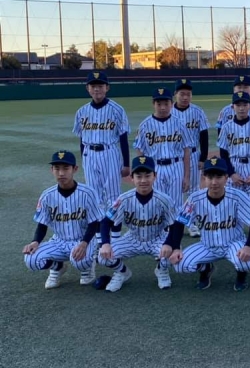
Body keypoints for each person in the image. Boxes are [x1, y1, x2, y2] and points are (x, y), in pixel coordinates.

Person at [170, 157, 250, 292]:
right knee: (180, 265)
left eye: (218, 177)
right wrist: (176, 248)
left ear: (226, 178)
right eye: (210, 177)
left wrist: (248, 246)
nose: (214, 182)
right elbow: (179, 223)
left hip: (234, 243)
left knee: (245, 262)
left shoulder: (237, 196)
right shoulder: (195, 198)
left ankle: (241, 277)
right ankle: (206, 268)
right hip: (207, 245)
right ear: (204, 177)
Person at [98, 156, 180, 292]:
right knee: (103, 257)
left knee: (173, 252)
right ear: (132, 178)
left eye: (147, 176)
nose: (143, 180)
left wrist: (168, 243)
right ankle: (122, 272)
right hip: (132, 239)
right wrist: (105, 243)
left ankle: (161, 270)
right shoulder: (123, 199)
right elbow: (106, 222)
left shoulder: (165, 200)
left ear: (155, 176)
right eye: (139, 176)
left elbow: (175, 226)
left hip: (157, 238)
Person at [23, 151, 103, 289]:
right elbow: (42, 224)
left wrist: (84, 244)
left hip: (83, 239)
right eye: (57, 168)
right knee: (30, 259)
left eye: (66, 168)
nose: (61, 173)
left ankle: (87, 268)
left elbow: (94, 223)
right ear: (52, 170)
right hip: (59, 241)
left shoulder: (88, 193)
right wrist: (35, 242)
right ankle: (58, 267)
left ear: (74, 169)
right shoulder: (47, 195)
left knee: (80, 261)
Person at [72, 71, 130, 240]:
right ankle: (99, 238)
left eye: (100, 86)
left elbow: (123, 138)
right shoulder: (82, 111)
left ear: (107, 88)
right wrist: (84, 159)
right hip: (89, 155)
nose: (96, 89)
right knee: (94, 197)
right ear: (87, 88)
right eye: (93, 86)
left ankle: (116, 237)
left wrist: (126, 164)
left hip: (110, 153)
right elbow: (82, 138)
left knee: (113, 197)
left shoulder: (117, 109)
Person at [134, 87, 190, 211]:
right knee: (157, 203)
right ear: (153, 104)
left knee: (176, 205)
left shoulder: (180, 124)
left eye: (166, 103)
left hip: (176, 166)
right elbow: (139, 150)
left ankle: (175, 225)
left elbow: (186, 150)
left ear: (172, 103)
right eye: (159, 104)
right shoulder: (145, 125)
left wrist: (186, 176)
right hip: (155, 167)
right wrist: (144, 173)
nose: (163, 107)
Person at [172, 78, 211, 237]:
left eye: (188, 94)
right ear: (175, 94)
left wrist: (203, 158)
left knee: (193, 190)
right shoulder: (169, 111)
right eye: (182, 94)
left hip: (194, 155)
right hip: (174, 157)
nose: (185, 97)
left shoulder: (198, 111)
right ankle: (174, 223)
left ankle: (192, 222)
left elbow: (204, 135)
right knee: (175, 190)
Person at [218, 91, 250, 211]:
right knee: (232, 207)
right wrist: (231, 174)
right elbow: (223, 154)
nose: (241, 108)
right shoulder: (226, 127)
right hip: (234, 166)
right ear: (232, 107)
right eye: (238, 105)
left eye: (245, 105)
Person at [215, 75, 250, 140]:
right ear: (234, 90)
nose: (242, 90)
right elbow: (220, 132)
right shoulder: (225, 111)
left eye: (245, 87)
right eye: (239, 87)